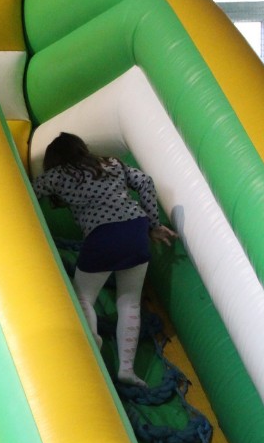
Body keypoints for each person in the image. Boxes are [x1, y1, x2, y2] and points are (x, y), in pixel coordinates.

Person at [32, 132, 178, 387]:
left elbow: (27, 191)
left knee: (83, 298)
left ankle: (92, 343)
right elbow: (145, 182)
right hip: (135, 230)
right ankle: (127, 369)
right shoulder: (112, 163)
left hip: (103, 236)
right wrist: (153, 225)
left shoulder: (57, 175)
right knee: (130, 302)